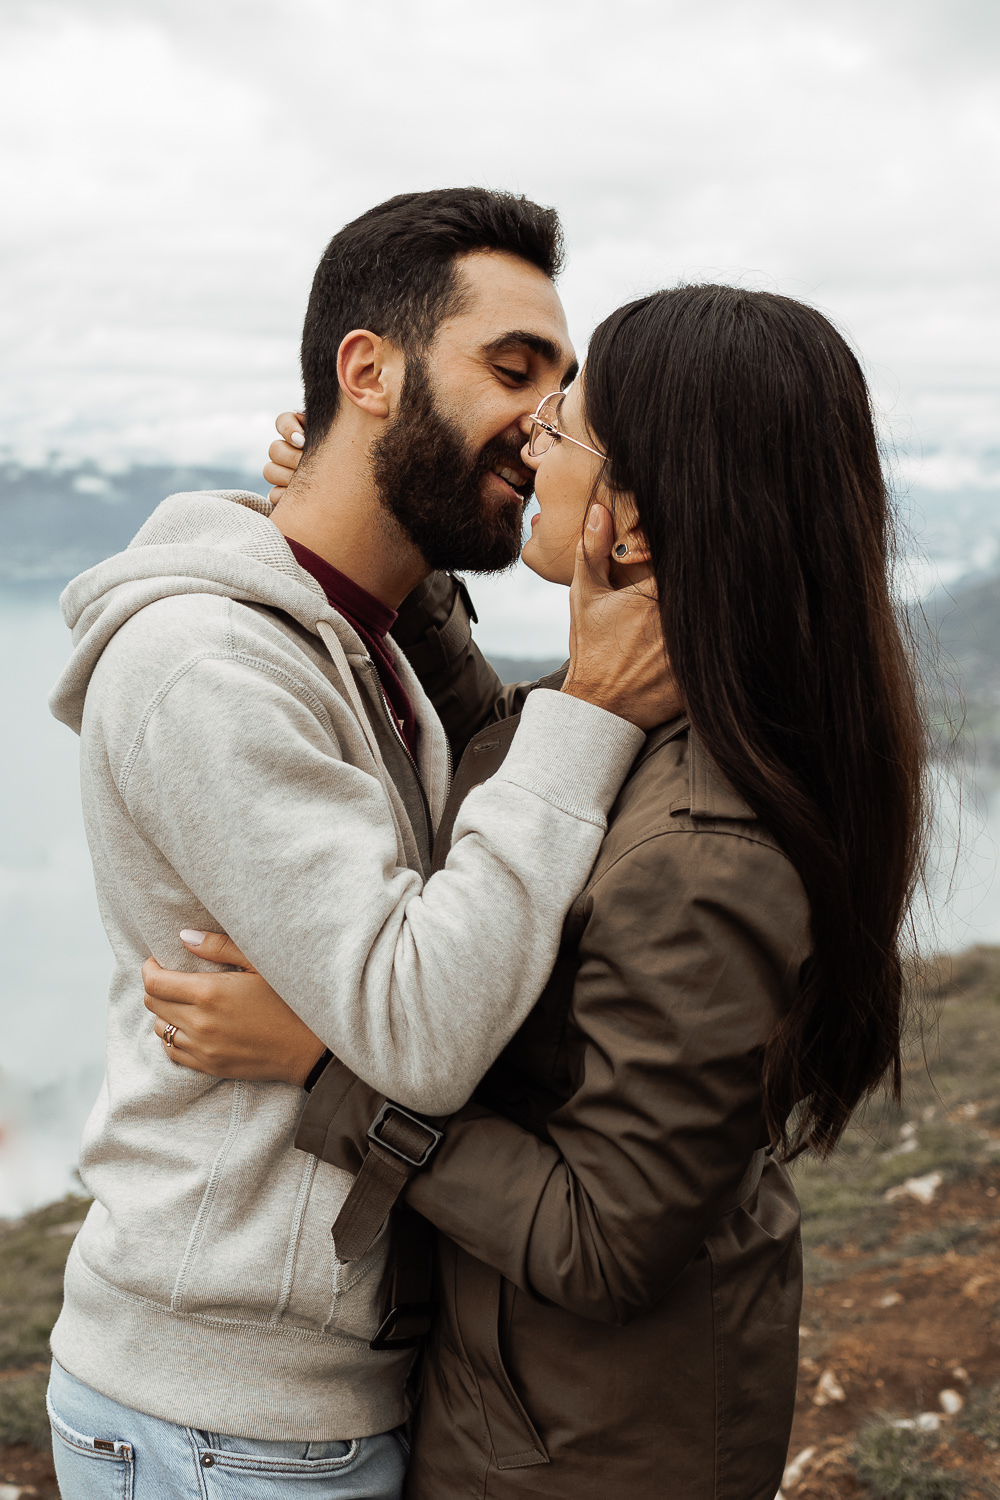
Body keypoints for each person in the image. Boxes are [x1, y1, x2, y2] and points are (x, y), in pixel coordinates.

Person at [144, 284, 927, 1499]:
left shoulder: (704, 856)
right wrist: (388, 527)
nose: (531, 438)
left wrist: (325, 1072)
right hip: (541, 1405)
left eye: (564, 423)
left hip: (588, 1452)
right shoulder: (675, 717)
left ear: (642, 523)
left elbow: (603, 1240)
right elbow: (520, 751)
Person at [44, 188, 678, 1500]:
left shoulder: (367, 643)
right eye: (517, 369)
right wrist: (596, 710)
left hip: (292, 1405)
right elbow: (422, 1028)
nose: (550, 422)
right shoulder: (205, 664)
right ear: (368, 370)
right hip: (231, 1425)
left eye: (564, 387)